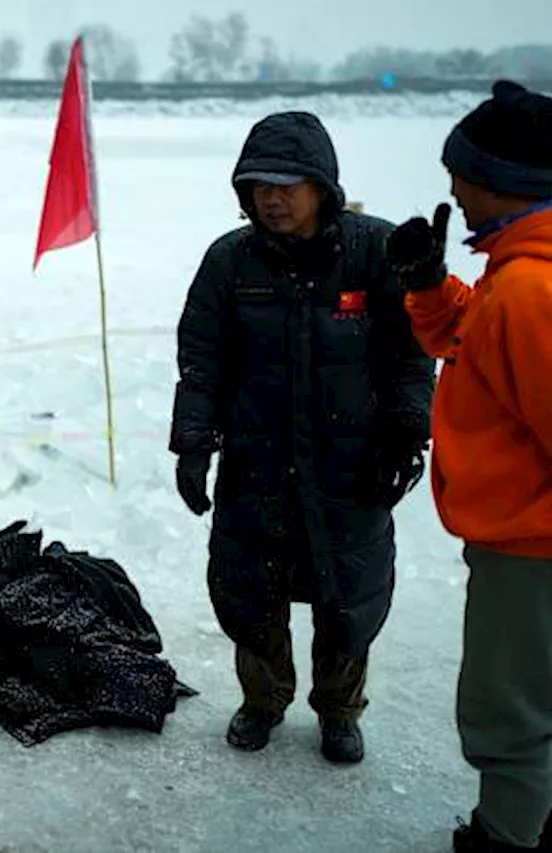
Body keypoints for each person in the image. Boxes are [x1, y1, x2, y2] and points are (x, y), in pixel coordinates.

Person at [169, 111, 435, 765]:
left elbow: (410, 357)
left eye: (288, 183)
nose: (273, 197)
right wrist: (195, 441)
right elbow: (203, 358)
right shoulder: (230, 261)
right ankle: (263, 700)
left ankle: (340, 710)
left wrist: (406, 433)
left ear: (322, 186)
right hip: (257, 462)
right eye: (260, 184)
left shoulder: (374, 251)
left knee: (347, 594)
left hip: (352, 466)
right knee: (251, 588)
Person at [388, 80, 552, 853]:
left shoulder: (529, 289)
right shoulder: (517, 269)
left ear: (505, 182)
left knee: (508, 706)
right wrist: (428, 286)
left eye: (461, 172)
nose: (450, 185)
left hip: (533, 548)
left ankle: (508, 836)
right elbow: (472, 343)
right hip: (525, 539)